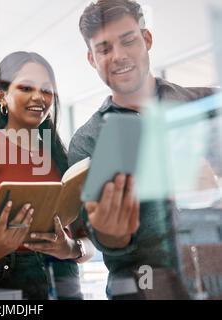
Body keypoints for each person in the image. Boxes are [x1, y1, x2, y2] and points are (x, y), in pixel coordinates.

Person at [68, 0, 214, 299]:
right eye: (104, 48)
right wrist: (111, 235)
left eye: (128, 40)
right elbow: (89, 239)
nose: (119, 56)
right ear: (91, 59)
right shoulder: (86, 142)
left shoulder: (207, 106)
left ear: (146, 39)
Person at [0, 51, 95, 300]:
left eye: (47, 90)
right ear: (2, 96)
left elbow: (89, 242)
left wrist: (70, 248)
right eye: (26, 87)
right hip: (1, 284)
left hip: (64, 283)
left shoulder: (62, 157)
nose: (39, 97)